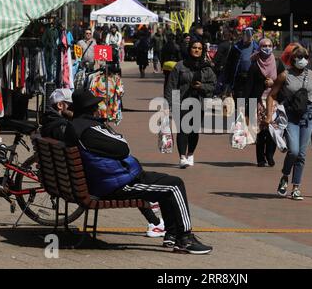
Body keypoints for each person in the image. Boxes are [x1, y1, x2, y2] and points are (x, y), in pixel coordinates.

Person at [64, 90, 212, 254]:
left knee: (166, 181)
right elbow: (122, 147)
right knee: (175, 185)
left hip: (101, 181)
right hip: (115, 184)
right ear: (91, 109)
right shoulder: (90, 129)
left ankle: (172, 234)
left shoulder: (75, 127)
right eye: (96, 106)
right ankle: (185, 238)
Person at [266, 44, 312, 201]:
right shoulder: (284, 76)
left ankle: (296, 187)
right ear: (293, 59)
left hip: (307, 116)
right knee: (292, 151)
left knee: (301, 154)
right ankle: (285, 176)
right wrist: (269, 115)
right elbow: (271, 95)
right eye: (299, 57)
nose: (303, 60)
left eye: (306, 57)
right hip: (291, 116)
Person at [164, 40, 217, 169]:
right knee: (182, 129)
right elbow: (171, 85)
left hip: (200, 102)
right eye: (194, 47)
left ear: (202, 50)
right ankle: (182, 156)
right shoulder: (180, 66)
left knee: (194, 130)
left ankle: (190, 153)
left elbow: (213, 85)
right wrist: (169, 103)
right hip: (181, 101)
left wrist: (202, 86)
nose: (197, 50)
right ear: (190, 49)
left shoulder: (207, 67)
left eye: (199, 48)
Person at [245, 38, 285, 167]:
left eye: (269, 45)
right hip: (259, 102)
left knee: (273, 130)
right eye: (264, 46)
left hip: (274, 101)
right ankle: (260, 159)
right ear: (260, 47)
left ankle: (270, 155)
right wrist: (245, 109)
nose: (267, 48)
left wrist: (274, 84)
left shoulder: (278, 64)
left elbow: (285, 83)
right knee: (261, 131)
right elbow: (249, 87)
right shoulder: (254, 65)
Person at [224, 27, 260, 101]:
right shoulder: (236, 47)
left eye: (251, 35)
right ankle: (241, 112)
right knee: (240, 101)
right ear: (242, 35)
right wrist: (227, 83)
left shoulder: (257, 48)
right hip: (239, 78)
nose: (249, 37)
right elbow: (229, 65)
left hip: (252, 78)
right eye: (246, 35)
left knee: (252, 100)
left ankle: (250, 112)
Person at [212, 28, 233, 95]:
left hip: (221, 65)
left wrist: (213, 62)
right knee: (227, 80)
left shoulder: (222, 45)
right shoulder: (232, 45)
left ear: (223, 36)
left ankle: (218, 92)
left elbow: (218, 55)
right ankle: (226, 92)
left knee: (219, 79)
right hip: (229, 65)